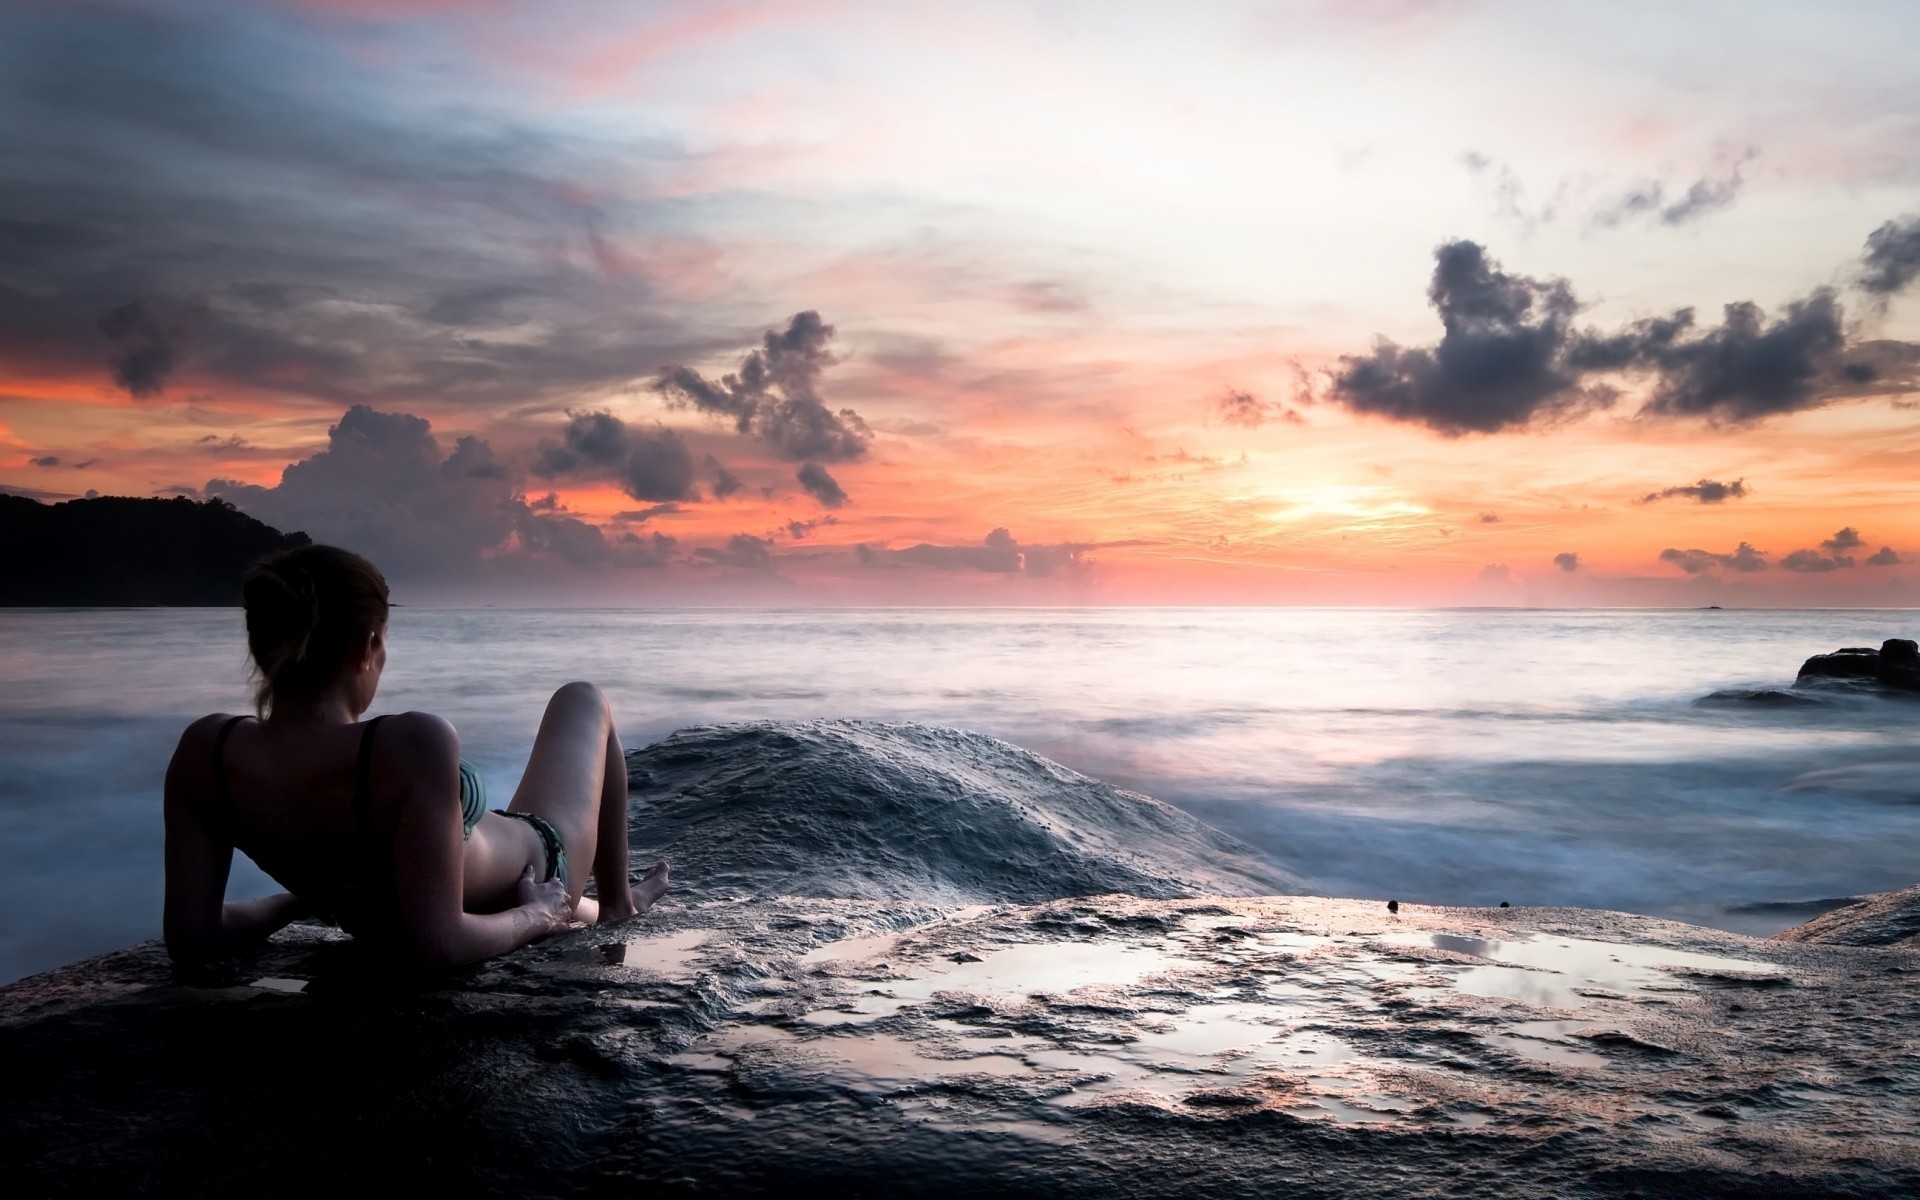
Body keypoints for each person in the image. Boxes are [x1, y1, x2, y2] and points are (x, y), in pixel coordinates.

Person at [163, 544, 669, 969]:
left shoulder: (207, 751)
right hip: (537, 862)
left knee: (559, 893)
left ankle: (600, 904)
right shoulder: (407, 743)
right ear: (367, 646)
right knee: (583, 698)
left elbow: (194, 937)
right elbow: (442, 943)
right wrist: (536, 916)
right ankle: (618, 906)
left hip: (423, 902)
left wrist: (299, 901)